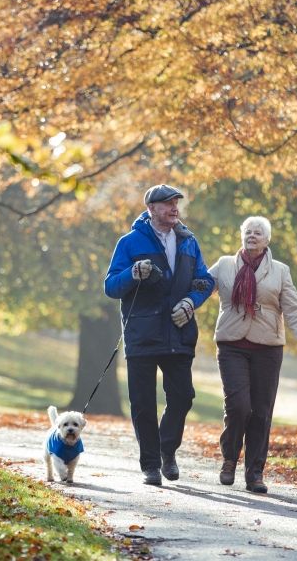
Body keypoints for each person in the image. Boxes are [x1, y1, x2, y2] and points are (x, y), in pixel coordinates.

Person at [104, 184, 215, 486]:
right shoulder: (129, 242)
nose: (174, 208)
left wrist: (191, 302)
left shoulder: (189, 242)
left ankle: (167, 450)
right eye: (167, 204)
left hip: (179, 331)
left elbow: (204, 280)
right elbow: (111, 286)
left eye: (176, 202)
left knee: (182, 397)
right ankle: (150, 465)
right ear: (151, 208)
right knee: (142, 402)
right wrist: (133, 273)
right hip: (141, 332)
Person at [208, 216, 297, 493]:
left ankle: (254, 473)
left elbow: (293, 307)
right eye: (248, 231)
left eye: (258, 233)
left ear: (267, 240)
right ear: (241, 236)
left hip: (267, 349)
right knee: (238, 407)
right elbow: (198, 288)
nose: (252, 236)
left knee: (261, 412)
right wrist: (183, 303)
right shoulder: (223, 265)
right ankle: (230, 458)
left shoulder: (280, 271)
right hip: (232, 344)